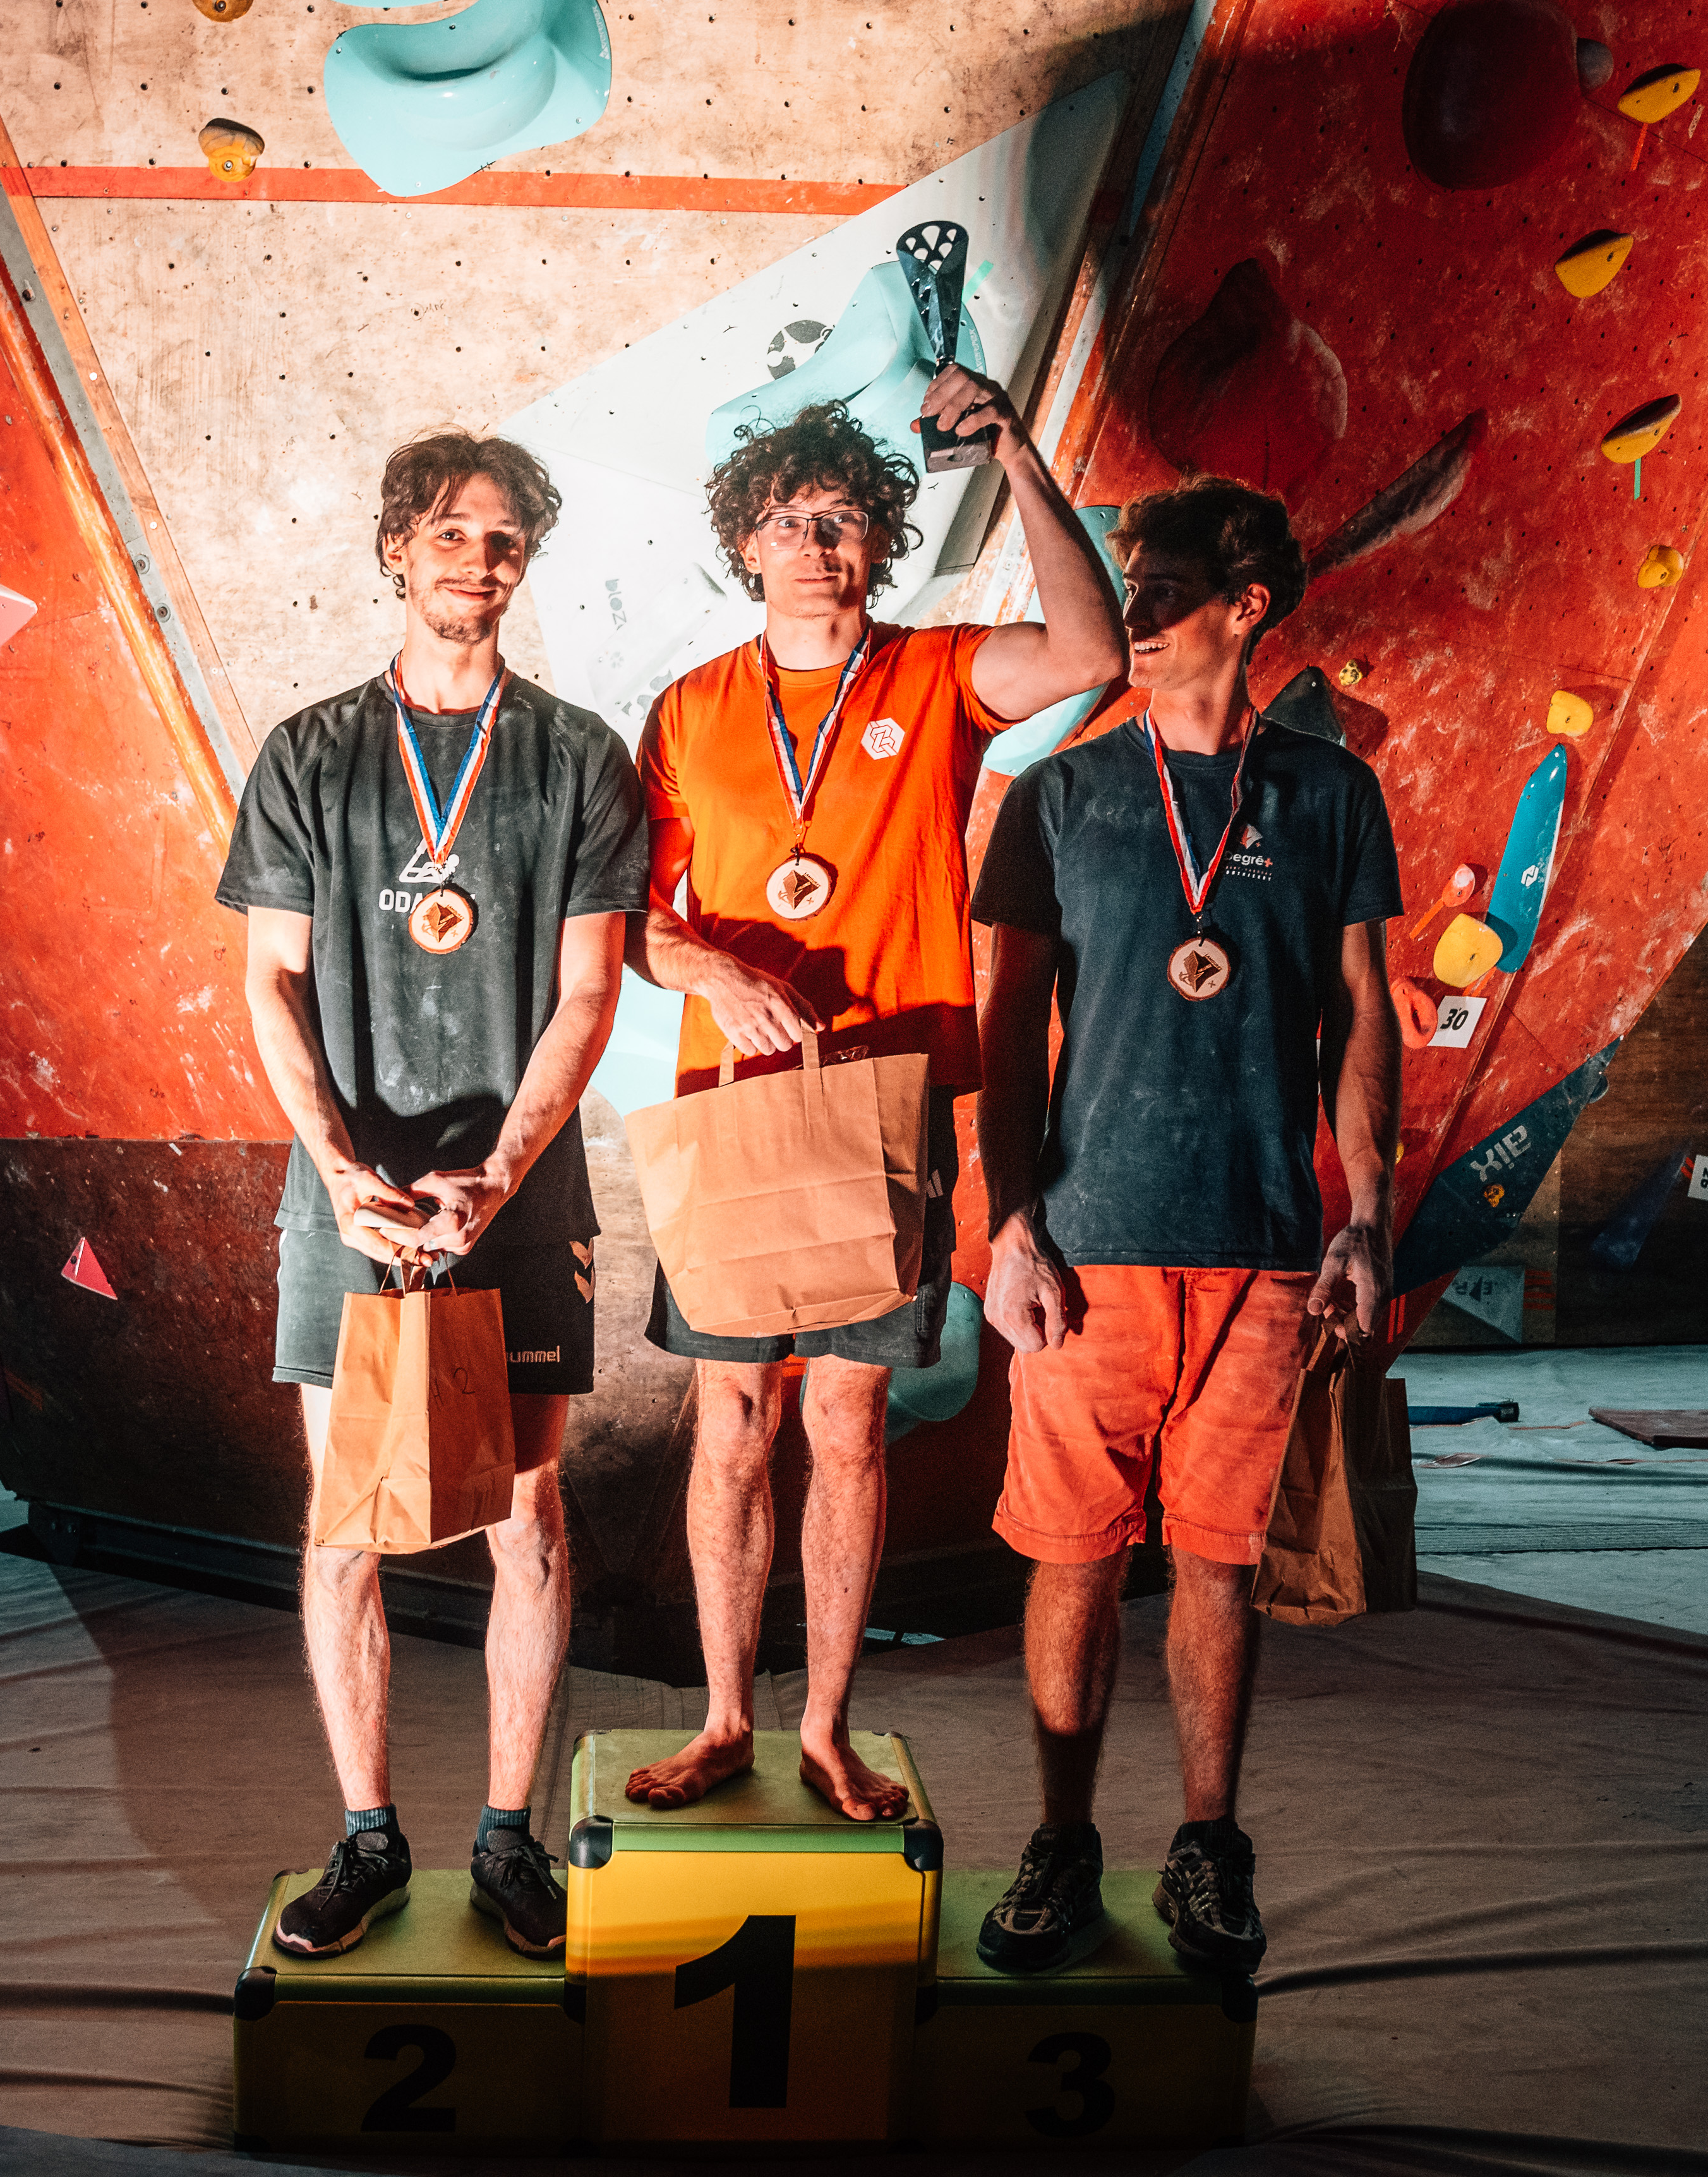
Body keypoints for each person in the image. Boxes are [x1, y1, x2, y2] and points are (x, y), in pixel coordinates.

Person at [623, 373, 1128, 1821]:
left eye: (842, 519)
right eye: (788, 520)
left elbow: (1091, 649)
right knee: (732, 1422)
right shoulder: (689, 711)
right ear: (746, 541)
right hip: (732, 1112)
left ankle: (825, 1729)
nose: (815, 545)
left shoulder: (938, 675)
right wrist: (711, 968)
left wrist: (1016, 451)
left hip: (887, 1110)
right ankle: (724, 1720)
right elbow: (630, 920)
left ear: (879, 541)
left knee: (845, 1427)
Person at [216, 429, 648, 1960]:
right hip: (349, 1203)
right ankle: (367, 1840)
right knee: (345, 1527)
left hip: (516, 1201)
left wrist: (503, 1172)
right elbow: (270, 981)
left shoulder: (579, 756)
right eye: (452, 532)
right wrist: (343, 1173)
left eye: (505, 536)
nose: (480, 558)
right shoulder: (310, 753)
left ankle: (507, 1841)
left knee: (524, 1521)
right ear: (396, 547)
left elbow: (588, 994)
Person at [970, 475, 1402, 1976]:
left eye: (1158, 591)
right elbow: (1004, 1034)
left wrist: (1364, 1215)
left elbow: (1360, 1016)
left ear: (1244, 608)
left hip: (1265, 1250)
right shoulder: (1060, 796)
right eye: (1129, 590)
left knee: (1217, 1566)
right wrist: (1006, 1227)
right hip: (1087, 1251)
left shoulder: (1328, 795)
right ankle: (1060, 1842)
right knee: (1073, 1561)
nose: (1133, 617)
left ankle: (1207, 1843)